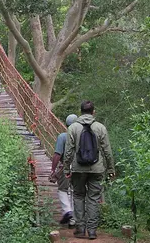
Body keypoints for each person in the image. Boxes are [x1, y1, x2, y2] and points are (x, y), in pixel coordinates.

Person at [63, 100, 116, 240]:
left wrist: (66, 168)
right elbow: (107, 151)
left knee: (79, 196)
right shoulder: (100, 127)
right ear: (93, 112)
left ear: (80, 112)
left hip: (78, 168)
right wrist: (110, 168)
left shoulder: (73, 128)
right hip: (97, 169)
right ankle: (92, 231)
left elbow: (68, 150)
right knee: (93, 198)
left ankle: (80, 229)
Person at [50, 114, 78, 225]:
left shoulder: (63, 137)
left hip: (66, 168)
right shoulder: (83, 136)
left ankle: (67, 212)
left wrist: (53, 170)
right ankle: (75, 218)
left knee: (63, 189)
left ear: (66, 125)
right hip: (81, 167)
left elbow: (57, 154)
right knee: (77, 191)